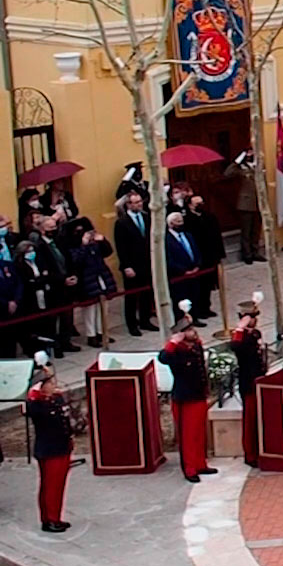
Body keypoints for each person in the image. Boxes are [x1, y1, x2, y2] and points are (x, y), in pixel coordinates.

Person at [157, 306, 215, 483]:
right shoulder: (176, 351)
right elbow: (163, 358)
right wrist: (173, 341)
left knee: (199, 433)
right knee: (188, 436)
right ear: (181, 334)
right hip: (185, 399)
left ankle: (200, 463)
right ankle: (189, 468)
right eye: (189, 330)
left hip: (198, 395)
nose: (193, 332)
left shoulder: (195, 346)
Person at [24, 369, 74, 532]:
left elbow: (65, 419)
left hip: (62, 446)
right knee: (51, 486)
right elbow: (30, 410)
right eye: (50, 383)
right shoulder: (37, 405)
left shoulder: (55, 399)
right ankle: (50, 519)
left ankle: (53, 517)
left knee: (57, 485)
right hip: (50, 450)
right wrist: (35, 395)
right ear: (41, 388)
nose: (54, 386)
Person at [114, 192, 157, 336]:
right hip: (132, 264)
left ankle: (145, 320)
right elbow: (121, 247)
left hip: (146, 263)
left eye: (140, 201)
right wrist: (126, 266)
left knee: (147, 292)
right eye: (136, 202)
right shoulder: (121, 223)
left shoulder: (146, 217)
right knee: (132, 296)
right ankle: (132, 324)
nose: (139, 204)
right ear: (128, 204)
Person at [231, 294, 266, 466]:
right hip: (249, 384)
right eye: (252, 318)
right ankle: (250, 454)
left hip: (259, 381)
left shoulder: (254, 334)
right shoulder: (240, 338)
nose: (255, 321)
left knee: (259, 420)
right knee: (250, 422)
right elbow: (235, 347)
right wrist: (239, 329)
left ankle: (260, 451)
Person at [226, 150, 265, 263]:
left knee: (256, 231)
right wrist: (238, 159)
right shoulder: (240, 168)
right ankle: (247, 254)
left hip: (259, 203)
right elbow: (227, 173)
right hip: (245, 203)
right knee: (246, 231)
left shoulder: (258, 166)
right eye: (248, 153)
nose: (251, 154)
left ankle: (255, 252)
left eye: (252, 152)